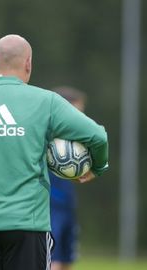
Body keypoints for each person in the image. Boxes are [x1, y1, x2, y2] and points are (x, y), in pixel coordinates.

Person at [0, 34, 109, 270]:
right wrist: (97, 167)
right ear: (28, 64)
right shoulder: (46, 102)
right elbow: (97, 136)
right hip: (29, 228)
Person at [49, 86, 86, 270]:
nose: (81, 117)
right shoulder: (48, 136)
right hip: (50, 206)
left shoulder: (74, 139)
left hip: (67, 206)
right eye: (77, 112)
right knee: (53, 259)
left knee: (66, 260)